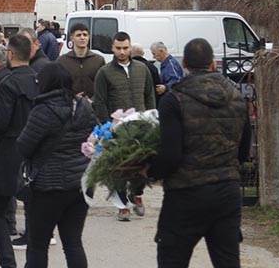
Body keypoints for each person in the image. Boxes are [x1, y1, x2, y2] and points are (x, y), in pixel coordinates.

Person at [149, 38, 252, 268]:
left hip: (186, 194)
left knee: (172, 259)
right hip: (227, 192)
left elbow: (170, 155)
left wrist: (149, 171)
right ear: (213, 64)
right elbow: (244, 152)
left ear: (185, 64)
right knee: (227, 261)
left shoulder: (173, 100)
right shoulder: (238, 98)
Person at [16, 61, 98, 268]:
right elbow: (93, 138)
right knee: (73, 242)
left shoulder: (42, 111)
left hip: (48, 186)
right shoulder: (84, 106)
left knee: (38, 244)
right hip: (80, 183)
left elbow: (24, 146)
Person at [0, 34, 38, 268]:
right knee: (33, 209)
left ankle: (8, 263)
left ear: (11, 55)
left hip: (7, 151)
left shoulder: (8, 82)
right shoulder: (38, 80)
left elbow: (1, 121)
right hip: (33, 149)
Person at [93, 31, 157, 221]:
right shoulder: (104, 72)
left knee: (142, 165)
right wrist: (107, 126)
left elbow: (149, 96)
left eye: (125, 48)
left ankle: (136, 195)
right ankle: (122, 207)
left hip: (141, 126)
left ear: (130, 48)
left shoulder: (142, 69)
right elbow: (100, 102)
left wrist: (152, 118)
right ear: (112, 48)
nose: (122, 52)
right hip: (118, 128)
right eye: (118, 48)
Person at [58, 21, 105, 98]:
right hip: (69, 105)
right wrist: (72, 98)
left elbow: (103, 86)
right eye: (78, 35)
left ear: (89, 37)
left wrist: (93, 100)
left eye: (85, 35)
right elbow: (59, 86)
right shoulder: (62, 61)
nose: (82, 38)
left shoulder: (98, 60)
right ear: (72, 38)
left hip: (93, 106)